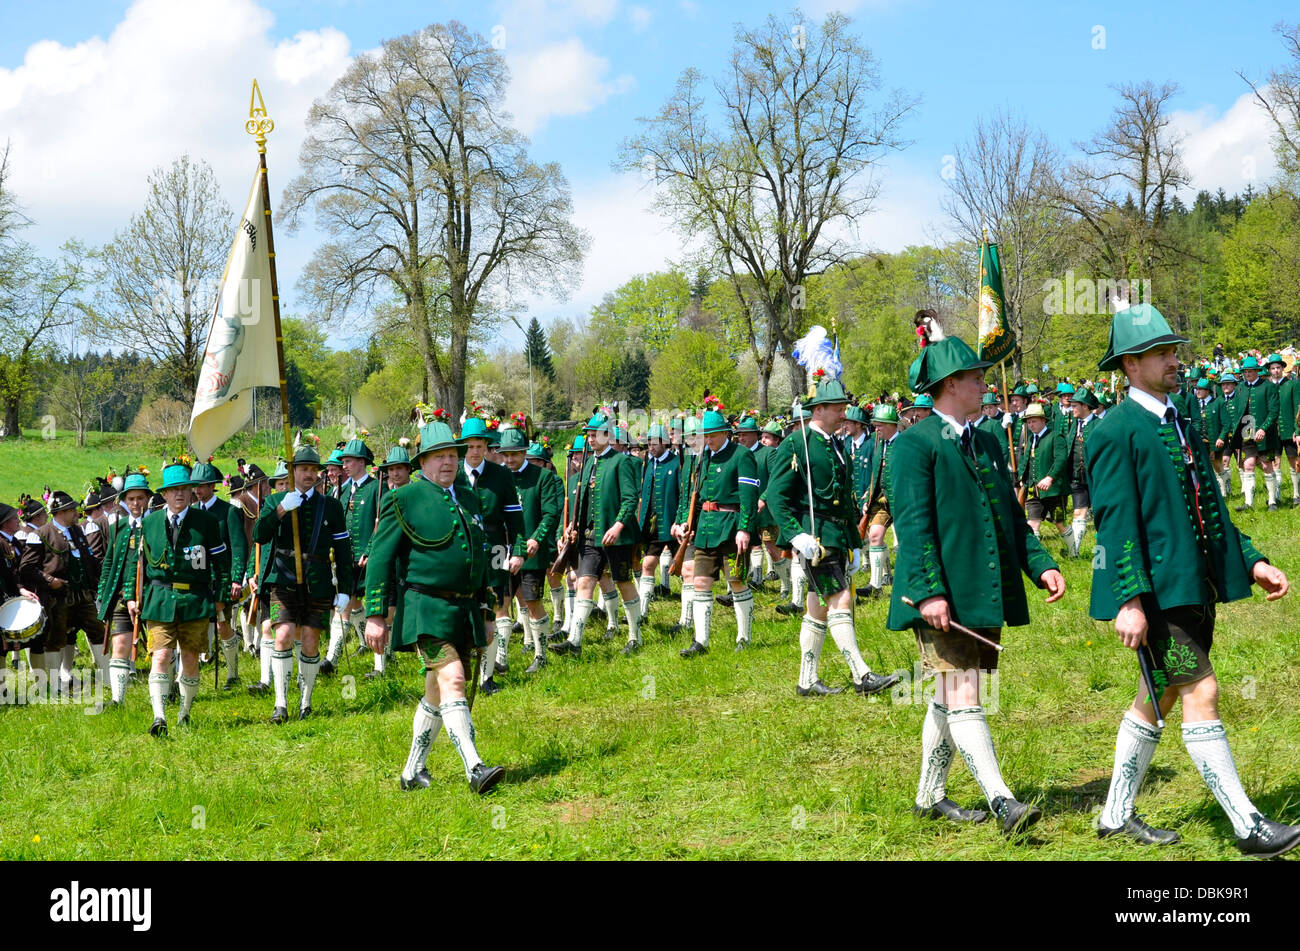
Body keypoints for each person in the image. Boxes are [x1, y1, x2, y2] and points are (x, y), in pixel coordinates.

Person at [1087, 305, 1298, 856]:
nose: (1174, 359)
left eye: (1174, 350)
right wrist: (1128, 600)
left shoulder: (1181, 417)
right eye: (1162, 353)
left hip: (1194, 589)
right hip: (1156, 600)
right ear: (1131, 365)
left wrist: (1251, 561)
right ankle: (1247, 825)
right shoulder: (1114, 430)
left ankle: (1113, 816)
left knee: (1155, 695)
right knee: (1201, 690)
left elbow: (1213, 507)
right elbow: (1114, 523)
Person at [887, 335, 1065, 834]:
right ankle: (1003, 801)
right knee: (965, 690)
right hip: (941, 593)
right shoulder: (913, 444)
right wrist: (927, 591)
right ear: (949, 385)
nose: (985, 383)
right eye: (976, 376)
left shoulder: (985, 439)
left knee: (951, 692)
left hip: (981, 590)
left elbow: (1008, 515)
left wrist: (1040, 563)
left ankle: (928, 796)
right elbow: (914, 523)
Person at [363, 414, 505, 795]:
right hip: (425, 608)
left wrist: (488, 610)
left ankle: (411, 772)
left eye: (452, 455)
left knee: (435, 689)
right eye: (438, 456)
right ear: (421, 463)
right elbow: (379, 558)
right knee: (454, 678)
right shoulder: (402, 498)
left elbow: (480, 558)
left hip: (464, 610)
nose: (447, 462)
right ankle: (475, 768)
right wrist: (375, 615)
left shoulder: (470, 497)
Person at [767, 340, 900, 698]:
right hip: (813, 540)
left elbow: (842, 503)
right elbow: (777, 497)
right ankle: (861, 675)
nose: (844, 413)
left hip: (836, 536)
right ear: (818, 409)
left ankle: (806, 680)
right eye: (838, 407)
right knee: (840, 599)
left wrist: (855, 546)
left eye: (844, 407)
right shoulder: (797, 445)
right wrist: (795, 536)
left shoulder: (837, 446)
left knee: (817, 608)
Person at [122, 463, 229, 736]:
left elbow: (221, 563)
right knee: (161, 655)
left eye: (184, 489)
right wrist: (130, 598)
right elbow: (136, 564)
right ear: (164, 495)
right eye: (173, 490)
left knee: (191, 658)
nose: (179, 494)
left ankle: (184, 713)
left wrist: (221, 596)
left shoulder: (206, 523)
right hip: (159, 598)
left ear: (191, 492)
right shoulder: (149, 523)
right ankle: (159, 716)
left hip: (195, 599)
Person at [253, 446, 354, 723]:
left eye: (313, 469)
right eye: (303, 469)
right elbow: (260, 535)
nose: (309, 474)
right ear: (293, 471)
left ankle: (305, 702)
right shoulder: (275, 500)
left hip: (318, 581)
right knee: (283, 636)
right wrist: (283, 509)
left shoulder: (330, 505)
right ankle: (281, 704)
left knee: (310, 642)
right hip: (282, 580)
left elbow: (343, 549)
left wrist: (345, 587)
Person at [551, 413, 643, 657]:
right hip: (590, 536)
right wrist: (571, 526)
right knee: (585, 581)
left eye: (595, 435)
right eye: (589, 435)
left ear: (608, 436)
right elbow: (582, 501)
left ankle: (635, 636)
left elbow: (630, 498)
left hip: (616, 536)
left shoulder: (621, 462)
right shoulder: (588, 463)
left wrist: (617, 526)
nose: (590, 440)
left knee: (623, 582)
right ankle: (575, 640)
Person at [673, 405, 758, 656]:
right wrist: (687, 522)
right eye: (704, 436)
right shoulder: (702, 458)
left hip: (731, 528)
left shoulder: (741, 456)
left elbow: (749, 497)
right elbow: (696, 495)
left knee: (737, 581)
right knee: (700, 582)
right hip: (706, 530)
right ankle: (701, 641)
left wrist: (745, 528)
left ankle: (744, 637)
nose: (707, 440)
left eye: (711, 435)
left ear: (724, 433)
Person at [458, 417, 525, 694]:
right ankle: (460, 670)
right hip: (462, 552)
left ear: (487, 447)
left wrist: (518, 551)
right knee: (463, 609)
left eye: (480, 446)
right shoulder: (453, 474)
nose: (475, 451)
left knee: (496, 607)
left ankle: (487, 676)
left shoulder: (501, 475)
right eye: (470, 446)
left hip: (496, 548)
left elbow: (515, 519)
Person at [20, 490, 104, 694]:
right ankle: (56, 685)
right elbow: (27, 568)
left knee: (98, 631)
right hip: (57, 597)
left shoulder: (77, 531)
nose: (76, 512)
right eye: (71, 509)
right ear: (60, 512)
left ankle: (108, 678)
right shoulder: (40, 535)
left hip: (83, 594)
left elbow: (89, 560)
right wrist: (50, 581)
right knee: (55, 638)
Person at [498, 428, 563, 673]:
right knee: (500, 603)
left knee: (533, 601)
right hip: (502, 549)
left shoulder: (542, 477)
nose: (510, 459)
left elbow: (550, 514)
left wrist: (536, 539)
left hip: (531, 551)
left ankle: (541, 654)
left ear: (524, 451)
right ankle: (501, 658)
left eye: (514, 453)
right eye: (506, 454)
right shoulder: (499, 477)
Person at [189, 459, 247, 689]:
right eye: (196, 486)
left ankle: (233, 673)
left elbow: (239, 546)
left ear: (213, 485)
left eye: (203, 485)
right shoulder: (191, 512)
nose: (198, 490)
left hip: (221, 579)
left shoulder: (229, 511)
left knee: (223, 626)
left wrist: (236, 578)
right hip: (197, 579)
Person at [95, 471, 152, 706]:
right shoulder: (119, 528)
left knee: (160, 647)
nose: (136, 503)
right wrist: (101, 593)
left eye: (140, 498)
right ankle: (118, 699)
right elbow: (109, 562)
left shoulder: (157, 525)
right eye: (131, 499)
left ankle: (167, 690)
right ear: (124, 501)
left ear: (148, 499)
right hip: (120, 596)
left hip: (151, 595)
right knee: (120, 645)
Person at [636, 423, 680, 618]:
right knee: (647, 565)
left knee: (687, 570)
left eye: (654, 444)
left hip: (672, 524)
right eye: (648, 444)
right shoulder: (647, 464)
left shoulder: (677, 463)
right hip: (652, 526)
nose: (651, 448)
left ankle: (687, 617)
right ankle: (642, 613)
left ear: (664, 443)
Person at [858, 403, 899, 599]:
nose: (876, 429)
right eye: (875, 425)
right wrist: (869, 491)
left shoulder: (904, 443)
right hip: (880, 499)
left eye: (880, 425)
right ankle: (876, 585)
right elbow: (876, 471)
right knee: (874, 535)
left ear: (891, 425)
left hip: (902, 501)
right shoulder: (878, 444)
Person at [1018, 404, 1068, 543]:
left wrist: (1050, 478)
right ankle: (1036, 557)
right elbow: (1026, 460)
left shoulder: (1055, 437)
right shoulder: (1030, 439)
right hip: (1034, 489)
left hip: (1054, 491)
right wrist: (1022, 478)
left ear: (1043, 420)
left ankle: (1073, 552)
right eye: (1028, 422)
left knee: (1060, 523)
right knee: (1032, 523)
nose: (1031, 425)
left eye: (1034, 421)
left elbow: (1061, 460)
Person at [1235, 356, 1279, 511]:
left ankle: (1273, 501)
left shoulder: (1268, 387)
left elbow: (1274, 412)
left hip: (1265, 434)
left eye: (1250, 371)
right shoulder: (1240, 388)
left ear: (1257, 371)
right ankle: (1248, 504)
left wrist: (1263, 429)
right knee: (1248, 464)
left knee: (1267, 465)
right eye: (1245, 371)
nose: (1247, 374)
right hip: (1247, 434)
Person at [1062, 387, 1100, 558]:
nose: (1072, 408)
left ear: (1085, 406)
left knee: (1101, 514)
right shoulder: (1073, 425)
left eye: (1075, 405)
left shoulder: (1099, 425)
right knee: (1078, 512)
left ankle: (1104, 551)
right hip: (1077, 477)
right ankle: (1074, 551)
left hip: (1097, 478)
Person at [1265, 353, 1299, 507]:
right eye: (1273, 368)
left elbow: (1298, 408)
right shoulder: (1266, 387)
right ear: (1269, 370)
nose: (1276, 370)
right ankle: (1276, 496)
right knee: (1275, 462)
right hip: (1272, 432)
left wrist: (1297, 430)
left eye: (1278, 367)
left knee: (1294, 461)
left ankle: (1296, 493)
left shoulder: (1291, 385)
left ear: (1283, 369)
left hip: (1289, 430)